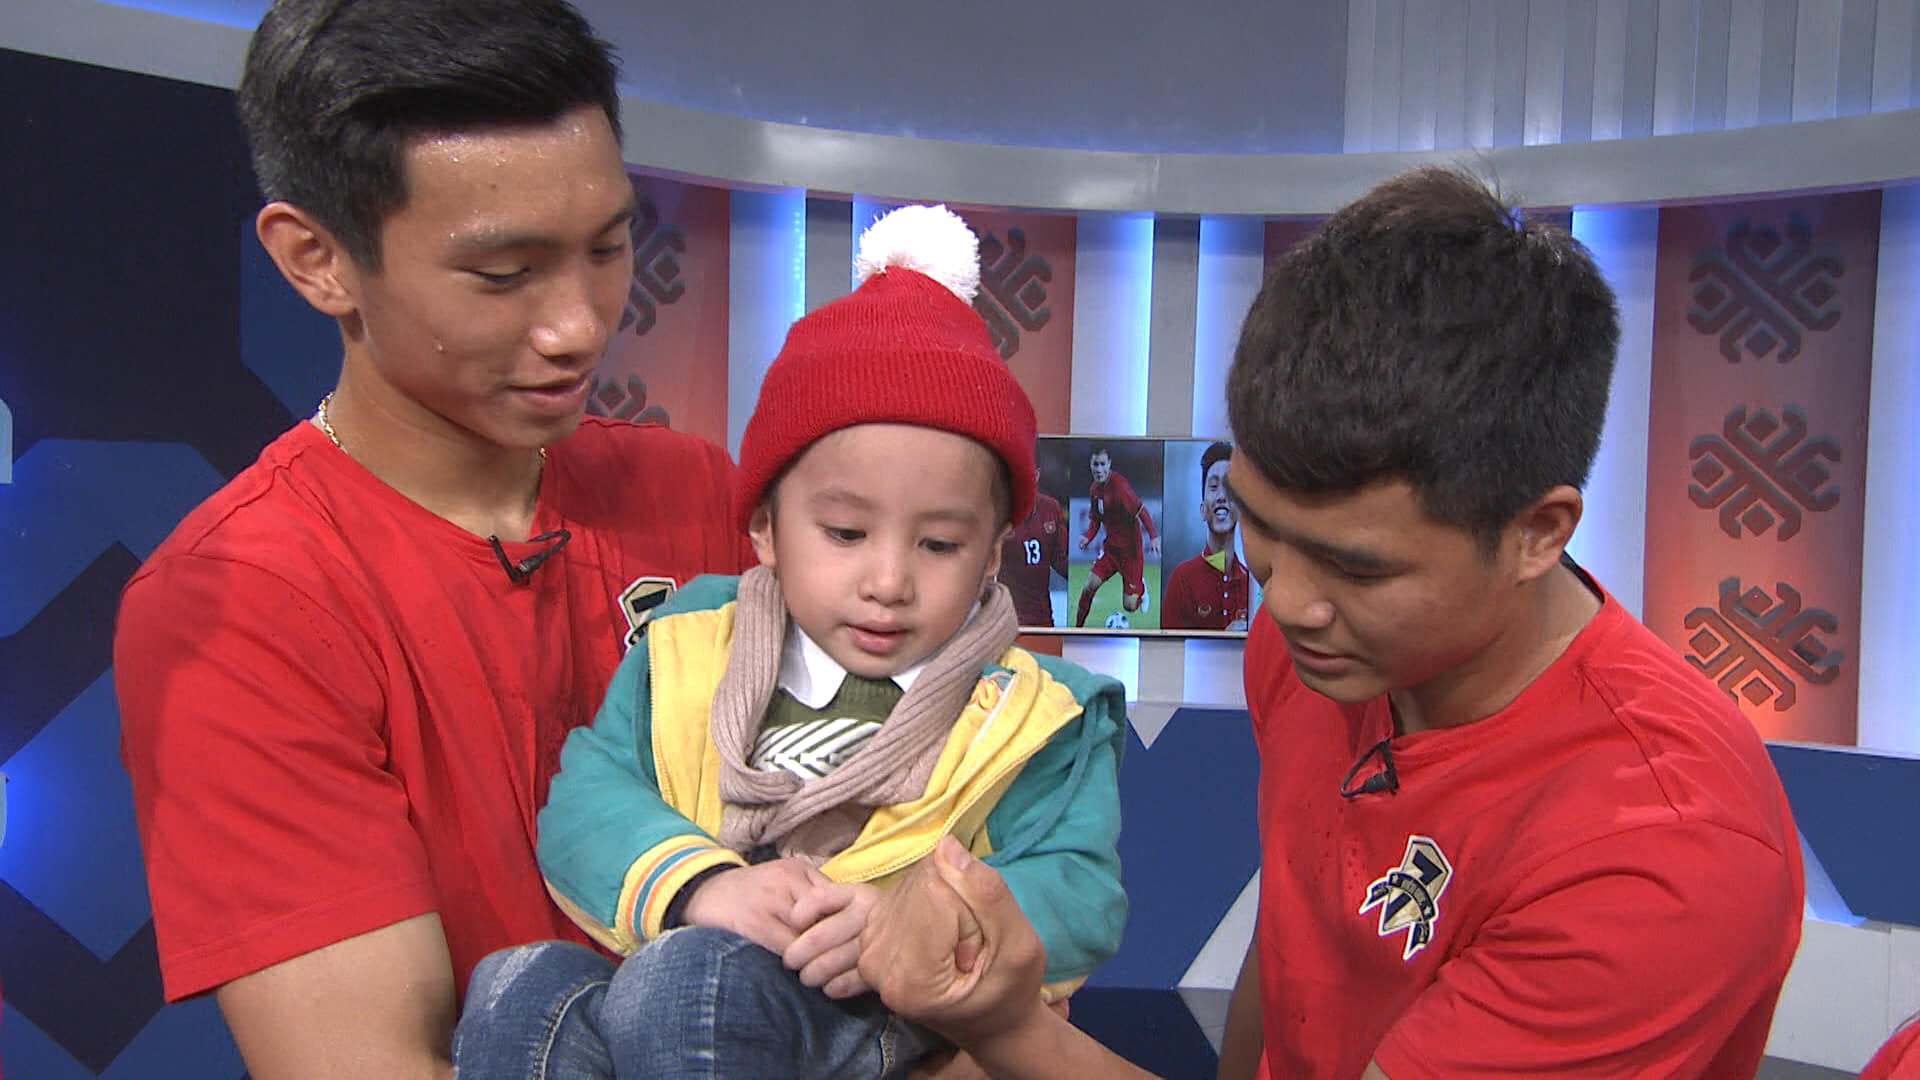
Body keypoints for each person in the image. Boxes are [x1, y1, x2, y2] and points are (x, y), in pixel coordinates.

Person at [858, 167, 1804, 1080]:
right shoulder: (1319, 647)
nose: (1287, 602)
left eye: (1358, 567)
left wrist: (1007, 1030)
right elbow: (1295, 939)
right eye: (1262, 524)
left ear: (1536, 533)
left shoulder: (1660, 853)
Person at [113, 2, 746, 1076]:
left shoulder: (698, 492)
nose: (581, 324)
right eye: (504, 274)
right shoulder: (240, 604)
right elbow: (368, 1061)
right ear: (317, 258)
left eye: (608, 246)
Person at [451, 205, 1127, 1080]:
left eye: (939, 545)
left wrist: (906, 921)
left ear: (994, 553)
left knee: (691, 982)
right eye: (845, 533)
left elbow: (1079, 888)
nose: (888, 580)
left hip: (881, 1013)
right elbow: (589, 796)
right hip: (686, 960)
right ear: (765, 527)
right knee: (517, 985)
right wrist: (705, 885)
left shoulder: (1037, 713)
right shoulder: (690, 644)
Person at [1161, 440, 1250, 631]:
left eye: (1229, 486)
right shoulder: (1181, 579)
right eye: (1214, 486)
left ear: (1240, 508)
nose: (1221, 496)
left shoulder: (1251, 584)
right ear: (1202, 510)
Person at [1072, 447, 1158, 626]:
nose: (1099, 469)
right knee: (1090, 585)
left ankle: (1141, 589)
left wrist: (1153, 536)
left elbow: (1141, 510)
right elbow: (1096, 519)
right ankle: (1077, 628)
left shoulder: (1120, 488)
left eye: (1103, 464)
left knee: (1130, 606)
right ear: (1090, 465)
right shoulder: (1094, 490)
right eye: (1095, 464)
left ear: (1109, 464)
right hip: (1111, 549)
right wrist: (1088, 537)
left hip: (1131, 553)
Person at [999, 466, 1070, 627]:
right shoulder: (1000, 510)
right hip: (1009, 620)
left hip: (1043, 617)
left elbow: (1061, 559)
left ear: (1037, 475)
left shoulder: (1051, 507)